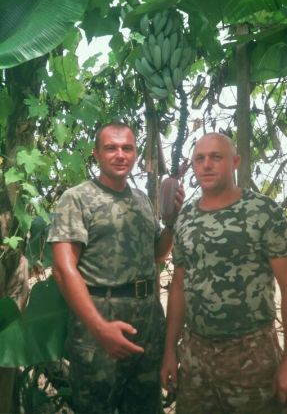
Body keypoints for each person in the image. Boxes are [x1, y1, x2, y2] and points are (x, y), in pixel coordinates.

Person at [47, 121, 183, 414]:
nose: (120, 155)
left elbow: (157, 254)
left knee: (145, 406)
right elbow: (62, 268)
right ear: (96, 153)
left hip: (147, 323)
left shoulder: (141, 199)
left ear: (135, 153)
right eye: (111, 148)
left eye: (127, 148)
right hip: (100, 322)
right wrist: (99, 328)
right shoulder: (77, 198)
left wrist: (172, 221)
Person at [161, 132, 287, 414]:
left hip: (251, 355)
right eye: (200, 159)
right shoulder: (186, 217)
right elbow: (178, 285)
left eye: (216, 157)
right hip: (196, 355)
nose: (207, 165)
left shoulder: (263, 212)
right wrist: (169, 350)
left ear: (235, 162)